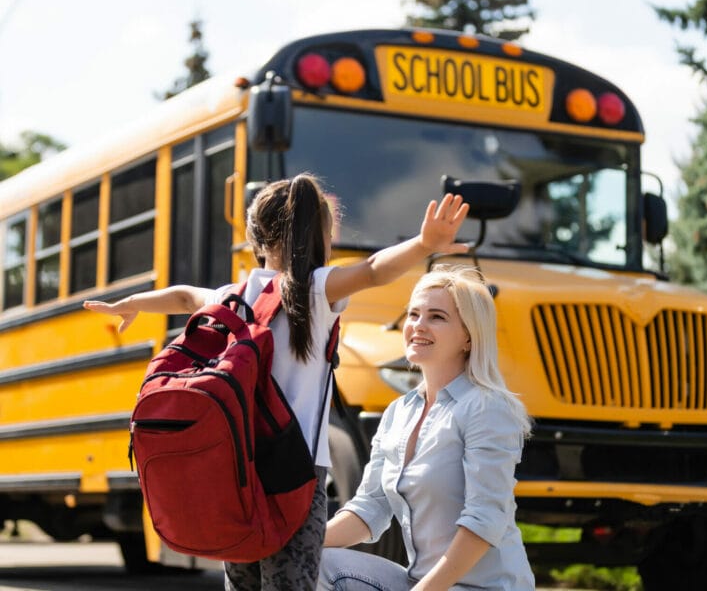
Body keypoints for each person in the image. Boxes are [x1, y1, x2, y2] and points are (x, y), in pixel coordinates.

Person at [83, 173, 469, 591]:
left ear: (255, 236)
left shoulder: (233, 294)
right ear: (321, 233)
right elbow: (374, 270)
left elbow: (181, 297)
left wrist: (132, 303)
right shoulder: (314, 291)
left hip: (236, 465)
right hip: (296, 471)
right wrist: (424, 245)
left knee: (243, 580)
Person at [318, 265, 535, 591]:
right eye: (413, 314)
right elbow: (370, 508)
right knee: (309, 562)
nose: (418, 326)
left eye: (436, 317)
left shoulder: (486, 407)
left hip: (484, 588)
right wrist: (297, 544)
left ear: (468, 336)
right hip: (419, 582)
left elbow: (483, 522)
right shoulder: (399, 412)